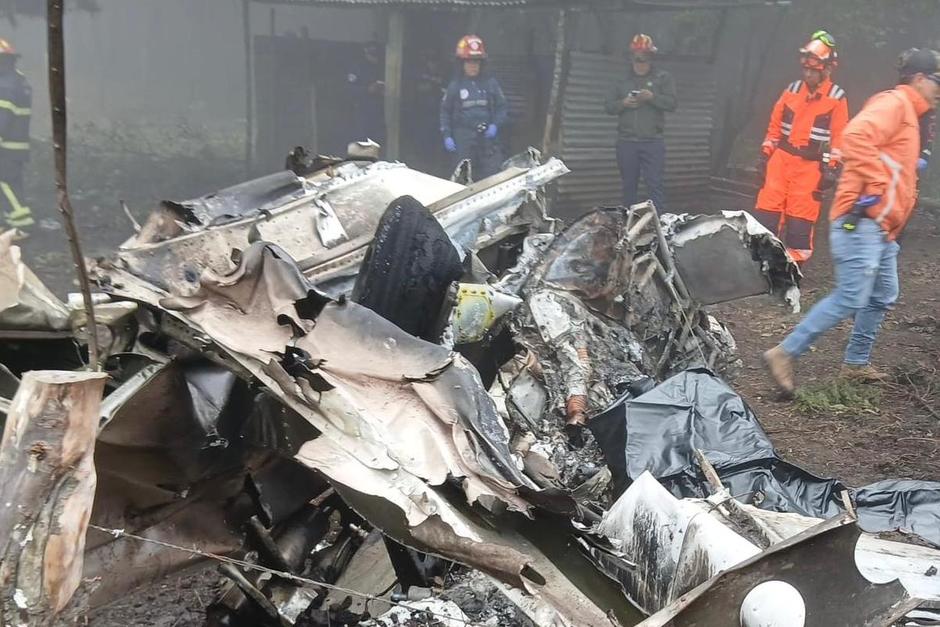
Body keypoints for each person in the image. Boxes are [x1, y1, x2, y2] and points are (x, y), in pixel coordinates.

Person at [764, 48, 940, 394]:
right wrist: (876, 185)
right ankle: (784, 352)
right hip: (860, 220)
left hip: (882, 228)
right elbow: (855, 136)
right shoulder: (896, 105)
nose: (939, 88)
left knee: (883, 294)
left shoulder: (913, 114)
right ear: (919, 79)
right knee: (850, 296)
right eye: (937, 81)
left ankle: (855, 364)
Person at [752, 31, 848, 265]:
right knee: (766, 212)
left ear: (826, 69)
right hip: (781, 160)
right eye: (805, 69)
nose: (808, 74)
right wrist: (765, 155)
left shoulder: (836, 97)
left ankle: (792, 267)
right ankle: (761, 263)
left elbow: (839, 138)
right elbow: (774, 128)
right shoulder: (792, 90)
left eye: (813, 70)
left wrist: (832, 168)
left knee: (800, 220)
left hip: (811, 166)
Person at [605, 33, 677, 211]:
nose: (640, 62)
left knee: (655, 185)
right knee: (628, 186)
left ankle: (660, 226)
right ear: (631, 58)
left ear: (651, 58)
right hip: (627, 142)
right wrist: (623, 103)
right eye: (637, 58)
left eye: (644, 58)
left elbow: (672, 103)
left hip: (653, 141)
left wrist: (652, 97)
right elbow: (608, 106)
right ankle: (628, 226)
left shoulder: (662, 78)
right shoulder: (621, 80)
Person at [440, 35, 508, 181]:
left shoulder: (491, 84)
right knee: (462, 178)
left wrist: (495, 125)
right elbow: (445, 112)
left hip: (487, 139)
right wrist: (447, 136)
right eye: (469, 62)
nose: (473, 66)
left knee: (494, 177)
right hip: (463, 138)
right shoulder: (455, 86)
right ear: (462, 64)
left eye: (476, 62)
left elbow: (502, 107)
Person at [0, 38, 32, 228]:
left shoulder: (5, 86)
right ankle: (10, 223)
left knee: (5, 184)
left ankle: (21, 225)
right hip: (15, 147)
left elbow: (1, 118)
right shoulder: (18, 80)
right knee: (11, 184)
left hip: (6, 147)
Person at [347, 41, 386, 148]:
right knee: (362, 137)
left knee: (378, 138)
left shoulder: (382, 66)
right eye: (373, 54)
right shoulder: (357, 67)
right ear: (366, 53)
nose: (375, 58)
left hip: (379, 108)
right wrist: (367, 89)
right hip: (362, 107)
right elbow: (350, 89)